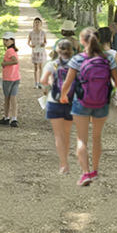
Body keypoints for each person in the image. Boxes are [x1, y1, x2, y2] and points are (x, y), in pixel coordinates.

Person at [60, 27, 117, 186]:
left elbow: (67, 83)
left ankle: (85, 173)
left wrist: (62, 96)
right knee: (96, 138)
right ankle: (95, 170)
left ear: (82, 41)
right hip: (101, 103)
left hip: (81, 102)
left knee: (82, 139)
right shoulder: (108, 59)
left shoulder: (77, 59)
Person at [42, 38, 78, 173]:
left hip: (54, 101)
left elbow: (43, 81)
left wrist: (51, 85)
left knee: (58, 135)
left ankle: (64, 164)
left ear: (57, 51)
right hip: (70, 102)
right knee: (67, 133)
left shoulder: (51, 64)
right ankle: (66, 157)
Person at [0, 32, 21, 127]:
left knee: (7, 98)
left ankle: (7, 117)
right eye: (4, 40)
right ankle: (14, 118)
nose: (5, 42)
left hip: (8, 78)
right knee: (13, 98)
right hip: (16, 77)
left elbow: (15, 61)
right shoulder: (14, 50)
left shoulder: (9, 51)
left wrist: (4, 64)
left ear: (12, 41)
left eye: (7, 40)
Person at [29, 17, 49, 89]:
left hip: (41, 51)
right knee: (35, 68)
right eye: (36, 22)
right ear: (34, 23)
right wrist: (31, 45)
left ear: (41, 24)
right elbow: (28, 42)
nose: (37, 24)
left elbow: (45, 41)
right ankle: (36, 82)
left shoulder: (43, 32)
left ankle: (40, 82)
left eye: (38, 22)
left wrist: (44, 44)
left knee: (41, 67)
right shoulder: (31, 33)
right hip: (35, 51)